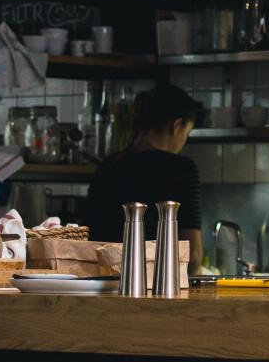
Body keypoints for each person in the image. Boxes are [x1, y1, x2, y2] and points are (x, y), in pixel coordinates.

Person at [85, 85, 206, 276]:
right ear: (176, 125)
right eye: (187, 133)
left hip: (100, 282)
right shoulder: (181, 168)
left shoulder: (109, 165)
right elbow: (192, 254)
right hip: (152, 285)